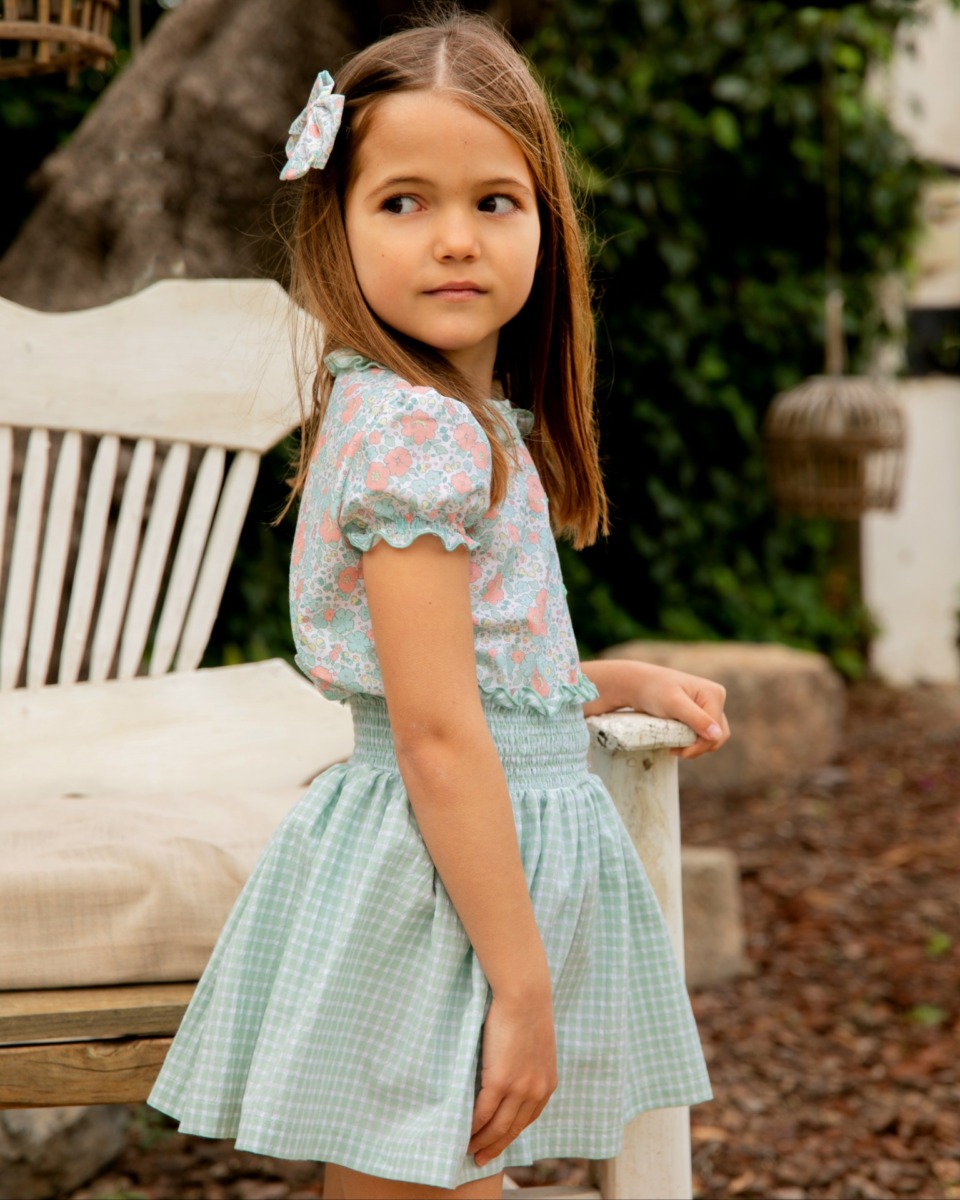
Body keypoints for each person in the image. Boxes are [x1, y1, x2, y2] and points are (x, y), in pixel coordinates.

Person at [148, 13, 729, 1199]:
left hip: (453, 863)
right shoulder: (417, 433)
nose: (453, 241)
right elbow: (436, 731)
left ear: (546, 222)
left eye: (494, 202)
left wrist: (601, 684)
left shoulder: (433, 419)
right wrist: (522, 984)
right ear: (338, 223)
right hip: (445, 883)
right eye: (403, 201)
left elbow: (461, 673)